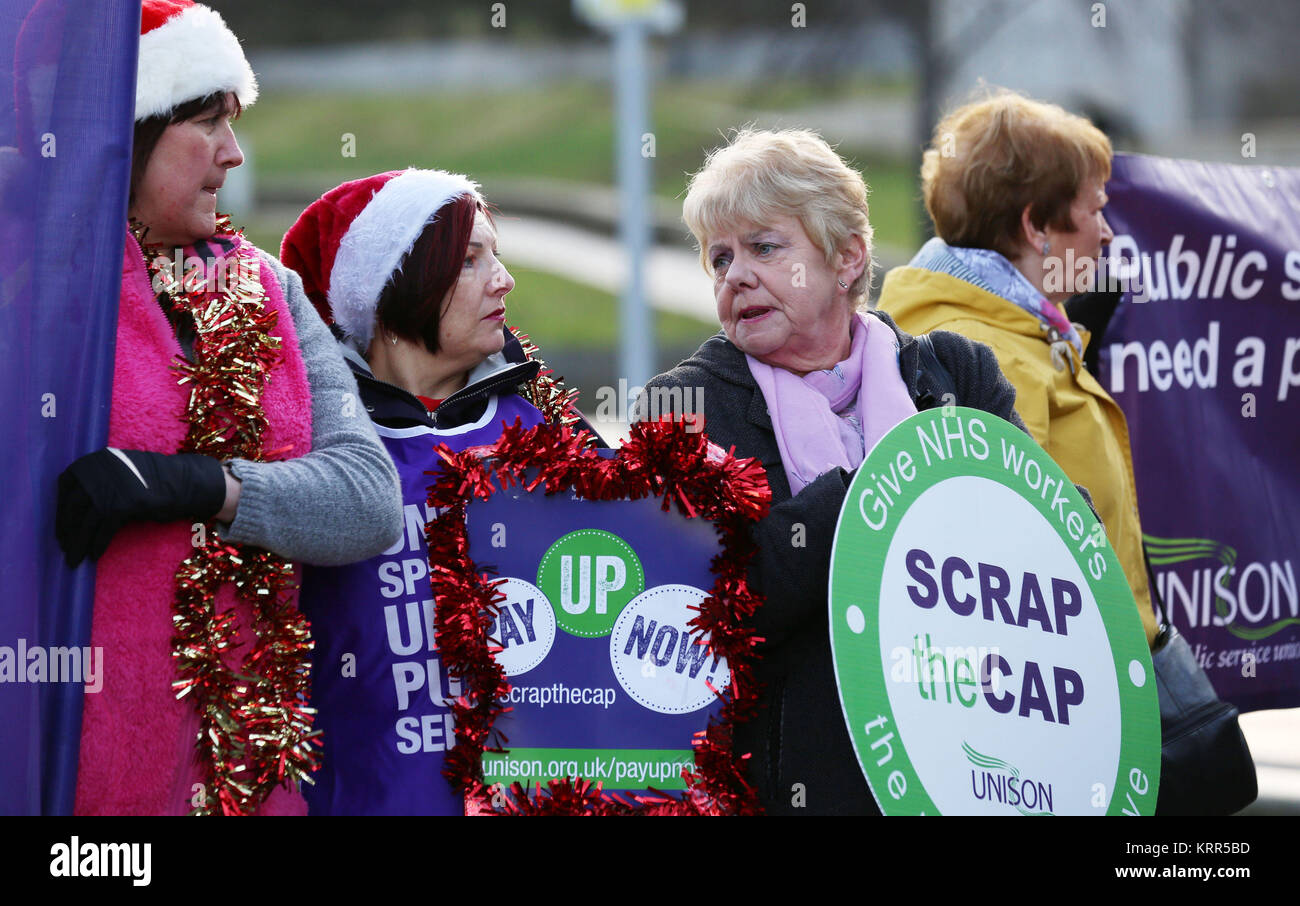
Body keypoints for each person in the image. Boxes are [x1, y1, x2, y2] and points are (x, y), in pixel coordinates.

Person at [54, 0, 402, 816]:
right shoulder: (34, 294)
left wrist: (202, 487)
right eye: (207, 122)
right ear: (126, 131)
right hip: (71, 769)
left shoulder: (270, 288)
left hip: (248, 767)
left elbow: (366, 499)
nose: (234, 154)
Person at [634, 128, 1027, 815]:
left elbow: (1048, 533)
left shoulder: (955, 373)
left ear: (847, 259)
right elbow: (708, 603)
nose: (736, 275)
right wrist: (883, 492)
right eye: (719, 257)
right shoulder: (682, 406)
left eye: (764, 247)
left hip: (968, 770)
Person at [281, 168, 597, 815]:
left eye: (497, 256)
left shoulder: (548, 430)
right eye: (471, 260)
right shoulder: (316, 442)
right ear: (398, 284)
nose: (503, 280)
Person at [875, 90, 1159, 648]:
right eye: (1095, 209)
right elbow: (1003, 578)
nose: (1106, 232)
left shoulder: (1017, 326)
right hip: (1068, 688)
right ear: (1037, 227)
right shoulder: (988, 349)